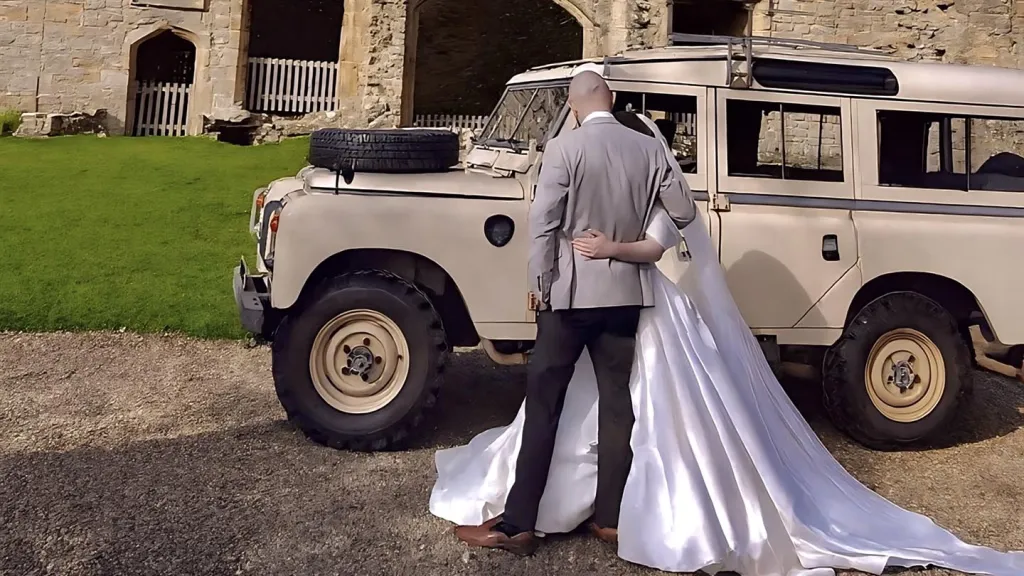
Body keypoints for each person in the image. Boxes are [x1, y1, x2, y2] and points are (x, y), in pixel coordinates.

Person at [430, 109, 1024, 575]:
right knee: (621, 407)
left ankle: (526, 517)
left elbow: (563, 226)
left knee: (567, 403)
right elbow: (676, 223)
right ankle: (610, 514)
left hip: (597, 296)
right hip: (639, 303)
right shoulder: (652, 171)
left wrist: (569, 267)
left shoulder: (574, 155)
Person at [448, 71, 697, 556]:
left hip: (569, 297)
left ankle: (518, 524)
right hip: (626, 294)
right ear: (614, 99)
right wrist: (628, 241)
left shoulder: (565, 148)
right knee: (616, 403)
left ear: (574, 104)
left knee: (545, 405)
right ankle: (610, 518)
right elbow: (683, 212)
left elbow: (543, 223)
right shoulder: (648, 149)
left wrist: (539, 285)